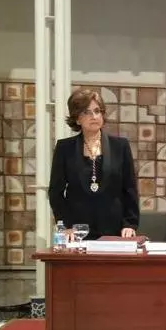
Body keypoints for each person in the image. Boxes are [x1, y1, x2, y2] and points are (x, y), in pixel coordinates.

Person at [49, 88, 139, 241]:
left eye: (97, 111)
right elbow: (55, 192)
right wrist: (66, 226)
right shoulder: (65, 148)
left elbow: (130, 188)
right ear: (77, 119)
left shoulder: (120, 146)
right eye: (87, 112)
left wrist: (130, 224)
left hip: (115, 230)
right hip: (77, 231)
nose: (94, 116)